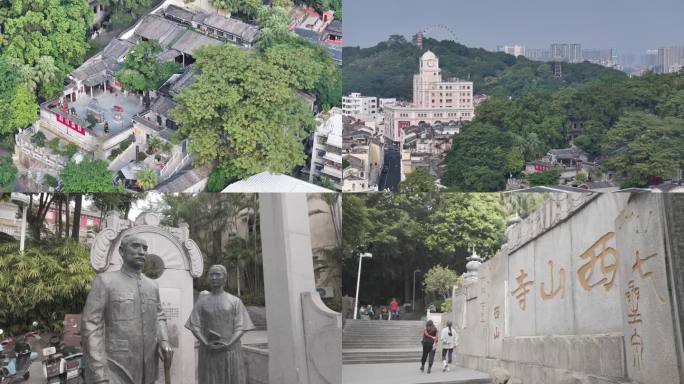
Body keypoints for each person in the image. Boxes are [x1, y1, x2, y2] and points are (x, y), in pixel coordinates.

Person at [81, 235, 173, 384]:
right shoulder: (105, 281)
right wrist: (99, 372)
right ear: (122, 251)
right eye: (135, 246)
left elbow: (159, 315)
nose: (141, 251)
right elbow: (90, 326)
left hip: (148, 367)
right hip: (116, 368)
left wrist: (164, 340)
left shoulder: (152, 285)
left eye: (145, 248)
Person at [186, 265, 255, 384]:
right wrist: (206, 343)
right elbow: (194, 325)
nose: (214, 277)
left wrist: (228, 343)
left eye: (217, 274)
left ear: (225, 278)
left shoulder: (234, 301)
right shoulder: (202, 301)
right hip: (208, 351)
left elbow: (241, 326)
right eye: (211, 275)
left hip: (230, 351)